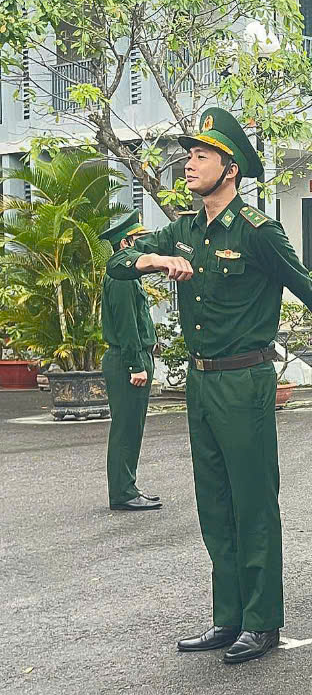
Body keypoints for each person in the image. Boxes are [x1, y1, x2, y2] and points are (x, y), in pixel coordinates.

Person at [107, 107, 312, 665]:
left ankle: (261, 622)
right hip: (201, 382)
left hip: (244, 379)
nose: (189, 164)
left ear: (230, 170)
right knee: (214, 502)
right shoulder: (183, 231)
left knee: (253, 502)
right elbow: (118, 263)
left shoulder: (259, 232)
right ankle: (226, 616)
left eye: (201, 156)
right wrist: (154, 259)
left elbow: (307, 289)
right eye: (189, 155)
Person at [99, 211, 162, 512]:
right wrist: (136, 365)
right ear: (126, 243)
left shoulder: (127, 276)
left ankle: (127, 487)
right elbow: (126, 326)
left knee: (131, 427)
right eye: (138, 241)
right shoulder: (122, 277)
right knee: (126, 428)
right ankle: (123, 492)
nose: (143, 248)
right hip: (127, 361)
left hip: (130, 357)